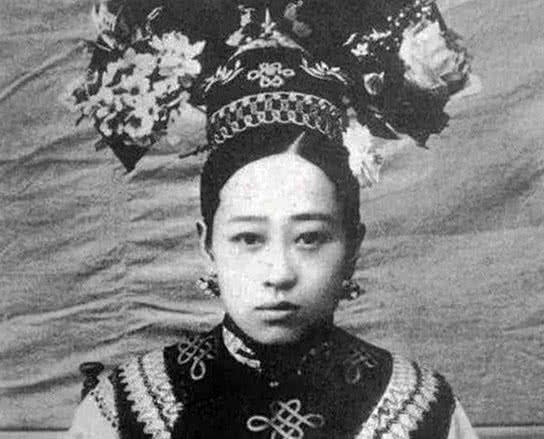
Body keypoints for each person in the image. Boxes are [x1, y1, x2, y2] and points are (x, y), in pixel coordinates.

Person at [65, 0, 478, 438]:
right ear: (207, 245)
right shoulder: (122, 411)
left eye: (309, 237)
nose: (278, 274)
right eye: (248, 238)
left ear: (353, 246)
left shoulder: (424, 412)